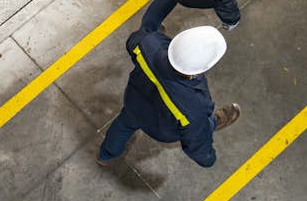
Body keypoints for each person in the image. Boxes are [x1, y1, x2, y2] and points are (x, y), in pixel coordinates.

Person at [98, 25, 240, 167]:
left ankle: (106, 155)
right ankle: (214, 121)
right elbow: (196, 144)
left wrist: (157, 38)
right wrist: (208, 158)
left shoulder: (147, 43)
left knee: (122, 126)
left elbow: (132, 42)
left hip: (134, 104)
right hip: (162, 129)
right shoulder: (194, 106)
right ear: (203, 68)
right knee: (202, 125)